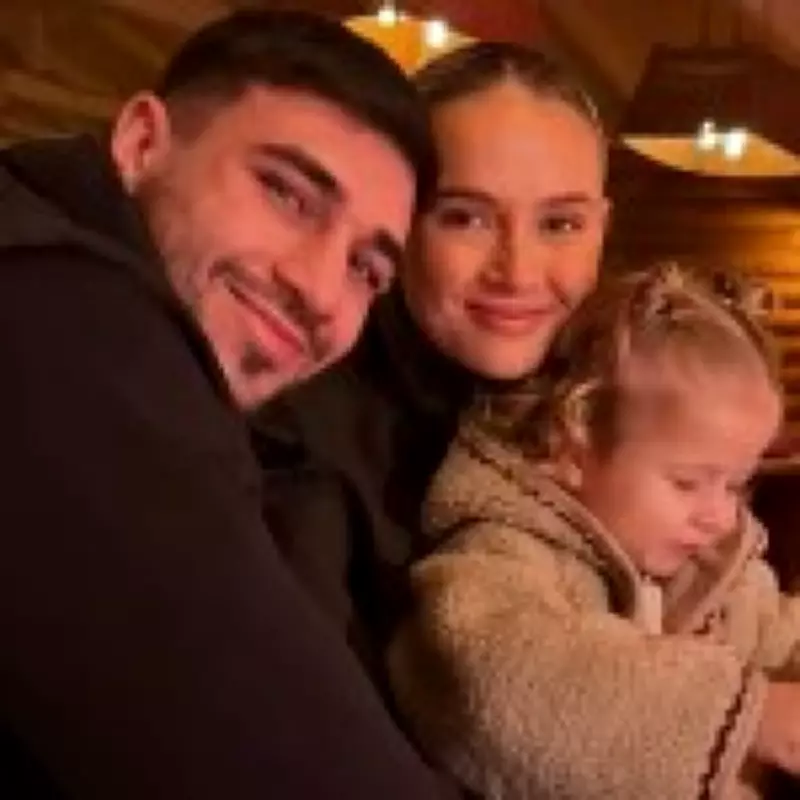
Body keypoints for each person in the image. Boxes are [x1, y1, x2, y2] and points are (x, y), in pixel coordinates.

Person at [0, 9, 453, 799]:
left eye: (366, 269)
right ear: (142, 142)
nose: (318, 289)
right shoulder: (62, 316)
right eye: (287, 193)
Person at [252, 42, 610, 684]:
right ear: (399, 222)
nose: (517, 272)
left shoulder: (615, 409)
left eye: (560, 224)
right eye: (465, 218)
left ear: (602, 230)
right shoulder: (299, 449)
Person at [388, 262, 800, 799]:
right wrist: (749, 715)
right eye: (688, 483)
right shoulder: (503, 552)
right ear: (573, 444)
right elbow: (492, 680)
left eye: (736, 486)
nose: (720, 516)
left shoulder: (710, 565)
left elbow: (777, 632)